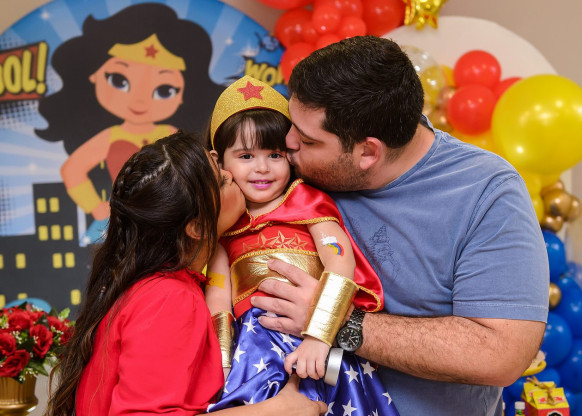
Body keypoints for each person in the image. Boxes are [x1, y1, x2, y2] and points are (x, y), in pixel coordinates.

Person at [250, 36, 549, 416]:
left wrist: (335, 318)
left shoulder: (486, 192)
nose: (287, 143)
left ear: (367, 151)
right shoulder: (291, 167)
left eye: (308, 140)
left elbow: (501, 354)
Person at [43, 131, 327, 416]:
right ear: (198, 227)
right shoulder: (168, 298)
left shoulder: (151, 288)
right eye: (222, 180)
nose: (231, 174)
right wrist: (277, 410)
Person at [204, 75, 399, 416]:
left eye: (274, 154)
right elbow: (218, 296)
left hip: (319, 344)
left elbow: (340, 261)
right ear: (218, 161)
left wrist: (319, 335)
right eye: (246, 155)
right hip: (254, 351)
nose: (262, 168)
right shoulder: (225, 226)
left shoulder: (307, 202)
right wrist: (220, 365)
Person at [35, 3, 224, 244]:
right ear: (93, 75)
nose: (139, 100)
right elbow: (72, 169)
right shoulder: (112, 137)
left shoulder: (172, 136)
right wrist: (97, 207)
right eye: (119, 80)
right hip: (126, 224)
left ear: (183, 93)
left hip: (171, 225)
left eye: (164, 89)